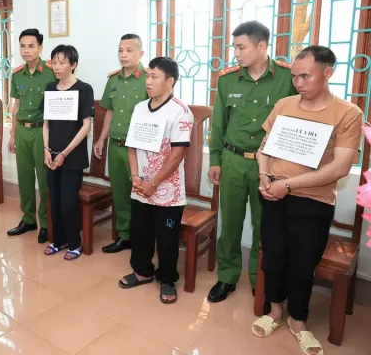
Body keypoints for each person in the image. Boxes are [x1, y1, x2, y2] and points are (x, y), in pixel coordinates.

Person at [251, 45, 362, 355]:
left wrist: (289, 184)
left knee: (303, 263)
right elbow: (264, 149)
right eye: (295, 76)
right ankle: (275, 311)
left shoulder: (347, 113)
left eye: (305, 76)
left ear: (327, 73)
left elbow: (340, 168)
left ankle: (298, 320)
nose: (298, 83)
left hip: (313, 201)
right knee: (273, 256)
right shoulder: (284, 105)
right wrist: (264, 175)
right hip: (273, 193)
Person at [207, 21, 297, 303]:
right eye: (234, 47)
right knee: (230, 224)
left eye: (241, 47)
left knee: (264, 227)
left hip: (270, 166)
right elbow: (218, 124)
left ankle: (262, 281)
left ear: (261, 46)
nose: (235, 53)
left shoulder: (287, 78)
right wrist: (215, 159)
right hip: (233, 161)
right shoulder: (227, 80)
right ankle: (227, 276)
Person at [117, 57, 193, 304]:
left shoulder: (181, 112)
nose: (148, 81)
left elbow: (177, 155)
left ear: (170, 81)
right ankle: (142, 271)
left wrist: (154, 183)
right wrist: (135, 176)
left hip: (167, 190)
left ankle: (168, 279)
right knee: (140, 232)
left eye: (154, 77)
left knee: (167, 237)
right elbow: (131, 146)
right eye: (147, 76)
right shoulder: (140, 108)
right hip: (141, 185)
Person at [93, 34, 147, 253]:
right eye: (120, 50)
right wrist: (101, 139)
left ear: (140, 53)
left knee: (141, 194)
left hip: (140, 149)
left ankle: (142, 239)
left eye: (129, 50)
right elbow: (109, 112)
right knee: (120, 193)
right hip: (116, 146)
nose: (123, 55)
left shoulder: (149, 78)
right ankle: (125, 237)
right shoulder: (113, 80)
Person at [42, 45, 94, 261]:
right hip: (51, 155)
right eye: (54, 62)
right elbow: (46, 123)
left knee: (68, 201)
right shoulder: (50, 88)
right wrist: (46, 149)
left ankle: (74, 242)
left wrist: (64, 153)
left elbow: (86, 126)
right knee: (54, 199)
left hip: (72, 156)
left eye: (62, 62)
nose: (57, 67)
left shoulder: (84, 89)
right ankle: (58, 240)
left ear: (73, 65)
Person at [6, 29, 56, 243]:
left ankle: (45, 223)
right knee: (24, 178)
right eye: (22, 46)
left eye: (31, 46)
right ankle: (28, 219)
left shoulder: (52, 72)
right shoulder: (17, 75)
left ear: (40, 48)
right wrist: (12, 135)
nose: (26, 50)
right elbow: (16, 106)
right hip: (22, 131)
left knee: (44, 180)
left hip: (42, 131)